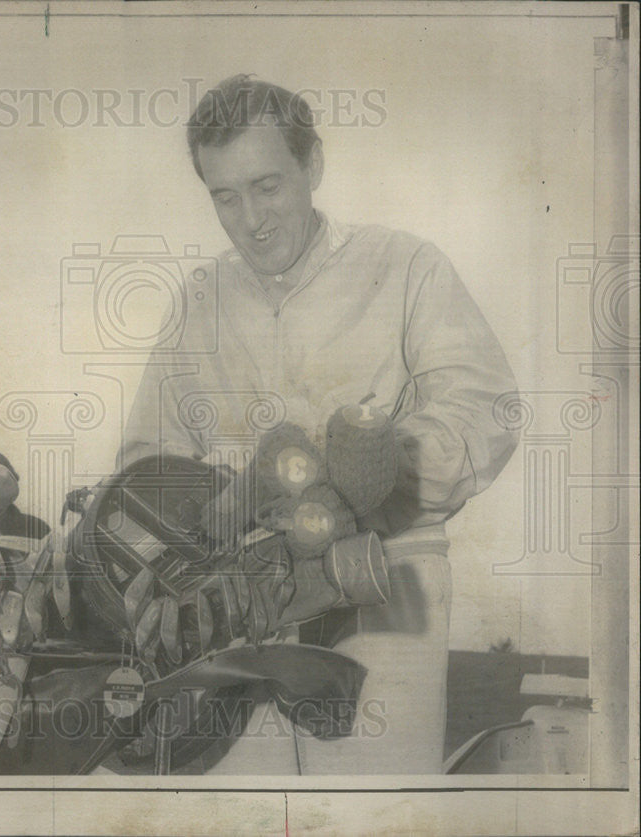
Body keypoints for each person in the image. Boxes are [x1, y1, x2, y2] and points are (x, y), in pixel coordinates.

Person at [119, 75, 519, 774]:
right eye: (225, 196)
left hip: (387, 579)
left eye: (267, 185)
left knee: (372, 805)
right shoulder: (199, 300)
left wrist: (362, 478)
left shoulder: (405, 265)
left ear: (314, 166)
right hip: (233, 597)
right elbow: (148, 460)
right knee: (238, 807)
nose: (251, 218)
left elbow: (483, 410)